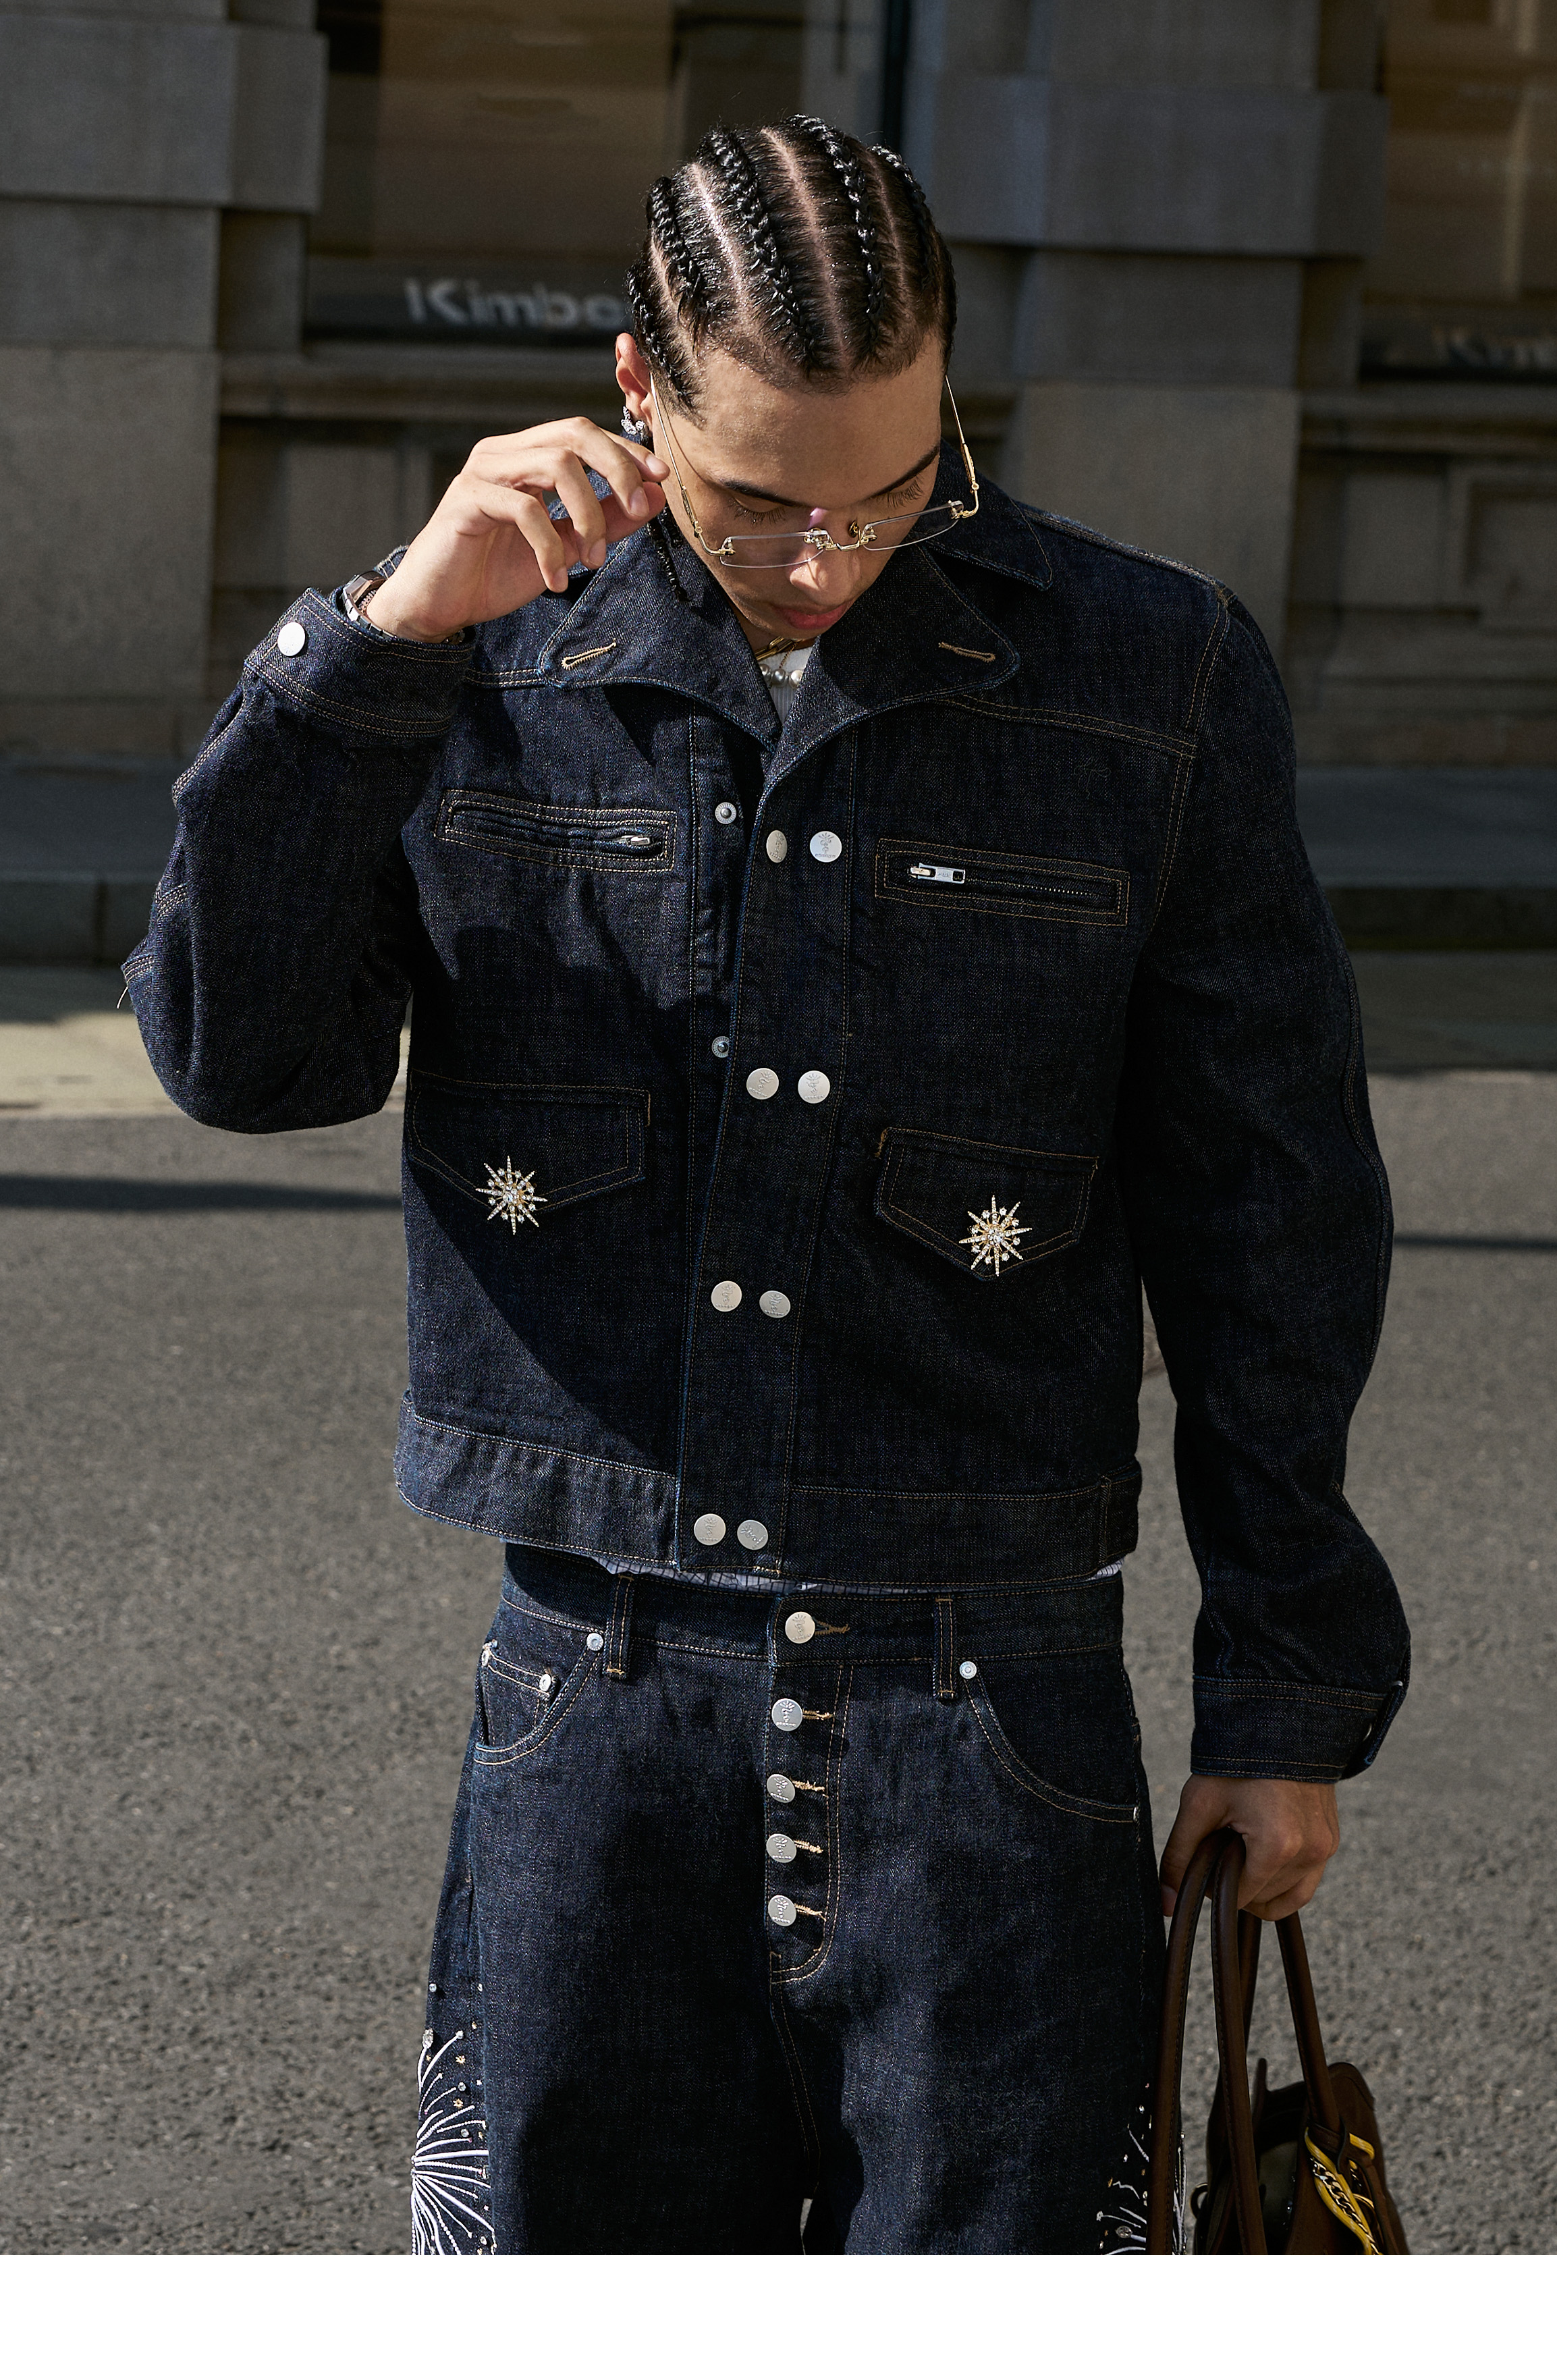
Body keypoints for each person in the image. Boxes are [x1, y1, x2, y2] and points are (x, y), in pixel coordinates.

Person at [126, 115, 1409, 2254]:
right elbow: (242, 1062)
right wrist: (376, 647)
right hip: (592, 1701)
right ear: (635, 386)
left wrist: (1282, 1693)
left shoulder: (1149, 674)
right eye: (755, 504)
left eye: (891, 489)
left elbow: (1268, 1213)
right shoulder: (479, 653)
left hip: (993, 1714)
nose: (826, 557)